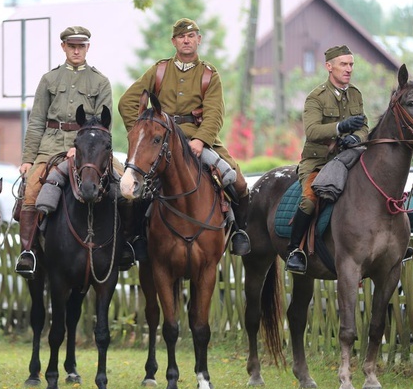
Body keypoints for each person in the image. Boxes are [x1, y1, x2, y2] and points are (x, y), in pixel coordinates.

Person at [118, 17, 251, 257]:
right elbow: (127, 101)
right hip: (162, 142)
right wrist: (142, 134)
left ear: (199, 40)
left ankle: (240, 231)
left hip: (198, 139)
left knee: (236, 181)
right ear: (174, 41)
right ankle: (137, 237)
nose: (186, 40)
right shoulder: (159, 70)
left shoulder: (210, 74)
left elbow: (215, 114)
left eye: (191, 36)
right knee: (137, 184)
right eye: (181, 37)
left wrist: (200, 140)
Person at [15, 26, 131, 279]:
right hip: (50, 145)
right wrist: (27, 159)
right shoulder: (49, 80)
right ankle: (29, 252)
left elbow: (104, 123)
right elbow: (36, 121)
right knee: (32, 188)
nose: (76, 50)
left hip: (90, 148)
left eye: (81, 46)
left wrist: (78, 148)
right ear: (64, 47)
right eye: (71, 46)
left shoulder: (100, 81)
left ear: (88, 48)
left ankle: (127, 245)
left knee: (124, 185)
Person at [285, 44, 369, 273]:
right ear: (329, 67)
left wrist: (356, 139)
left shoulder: (355, 94)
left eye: (351, 64)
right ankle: (295, 250)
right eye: (344, 64)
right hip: (318, 161)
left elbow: (364, 128)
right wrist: (341, 127)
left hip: (348, 158)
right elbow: (311, 131)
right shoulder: (316, 97)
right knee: (310, 199)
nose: (349, 69)